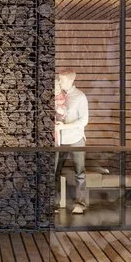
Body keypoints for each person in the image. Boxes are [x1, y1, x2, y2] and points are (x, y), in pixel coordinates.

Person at [52, 69, 90, 216]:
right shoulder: (56, 95)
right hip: (59, 140)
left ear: (70, 80)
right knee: (54, 172)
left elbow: (84, 120)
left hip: (76, 139)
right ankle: (54, 204)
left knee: (79, 172)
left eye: (61, 80)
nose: (59, 82)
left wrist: (65, 126)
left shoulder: (80, 97)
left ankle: (80, 204)